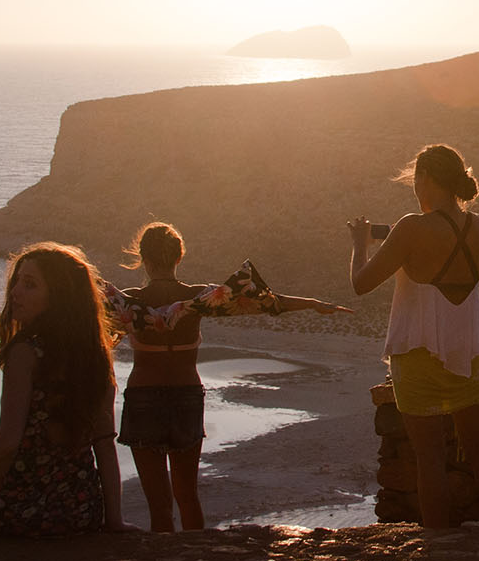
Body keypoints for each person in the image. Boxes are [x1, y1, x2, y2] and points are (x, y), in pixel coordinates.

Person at [101, 222, 352, 533]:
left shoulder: (128, 303)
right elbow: (265, 300)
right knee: (188, 497)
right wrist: (312, 304)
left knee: (159, 505)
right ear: (180, 258)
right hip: (186, 397)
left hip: (143, 398)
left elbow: (83, 312)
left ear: (142, 259)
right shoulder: (199, 297)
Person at [348, 144, 479, 528]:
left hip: (418, 354)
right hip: (468, 352)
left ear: (424, 179)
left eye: (415, 182)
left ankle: (440, 544)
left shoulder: (409, 228)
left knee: (430, 459)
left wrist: (359, 244)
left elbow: (361, 284)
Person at [0, 243, 132, 543]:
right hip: (80, 510)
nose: (15, 293)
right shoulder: (95, 355)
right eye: (17, 282)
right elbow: (104, 443)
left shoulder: (26, 353)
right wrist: (114, 520)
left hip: (21, 511)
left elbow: (8, 442)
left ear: (58, 296)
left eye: (30, 285)